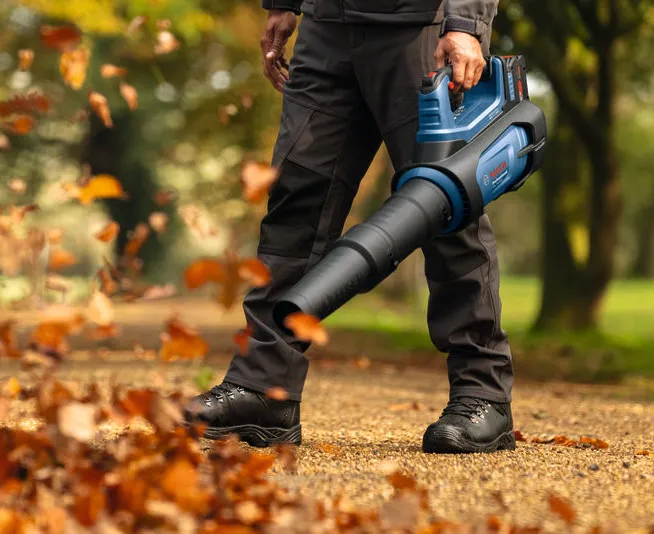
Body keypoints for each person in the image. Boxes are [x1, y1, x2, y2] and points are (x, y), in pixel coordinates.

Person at [187, 0, 515, 454]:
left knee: (444, 204)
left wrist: (467, 24)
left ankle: (483, 393)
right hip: (326, 28)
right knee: (295, 206)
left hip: (420, 28)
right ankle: (264, 388)